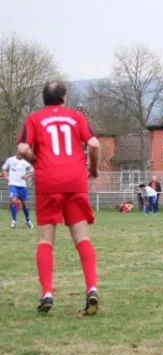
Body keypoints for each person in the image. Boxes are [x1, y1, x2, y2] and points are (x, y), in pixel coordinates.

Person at [17, 80, 100, 315]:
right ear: (64, 98)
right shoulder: (75, 117)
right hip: (75, 180)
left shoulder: (34, 118)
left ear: (44, 99)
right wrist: (93, 169)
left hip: (48, 181)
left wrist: (36, 161)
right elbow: (94, 144)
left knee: (45, 241)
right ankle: (92, 288)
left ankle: (47, 293)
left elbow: (23, 148)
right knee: (82, 238)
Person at [2, 153, 34, 228]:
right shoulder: (10, 160)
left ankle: (28, 220)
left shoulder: (26, 162)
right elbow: (4, 168)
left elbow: (32, 171)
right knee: (13, 200)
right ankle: (14, 221)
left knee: (24, 204)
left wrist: (27, 176)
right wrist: (6, 175)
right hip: (12, 184)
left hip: (22, 186)